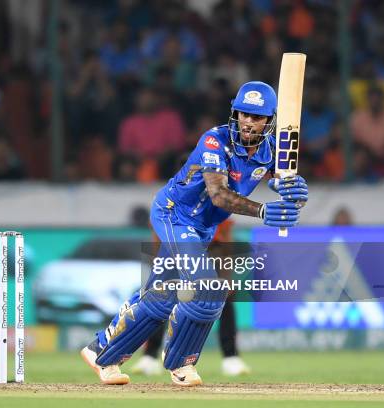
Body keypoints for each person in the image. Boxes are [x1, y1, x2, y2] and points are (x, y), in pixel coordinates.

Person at [81, 81, 309, 386]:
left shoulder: (270, 150)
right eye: (243, 114)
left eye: (256, 117)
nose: (248, 122)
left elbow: (285, 182)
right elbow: (218, 195)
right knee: (208, 289)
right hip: (174, 214)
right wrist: (264, 211)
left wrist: (296, 193)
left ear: (269, 120)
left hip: (202, 227)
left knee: (160, 298)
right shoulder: (214, 141)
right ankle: (181, 365)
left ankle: (100, 353)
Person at [131, 219, 252, 377]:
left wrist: (226, 276)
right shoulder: (169, 204)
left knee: (225, 303)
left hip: (208, 259)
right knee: (160, 302)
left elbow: (224, 242)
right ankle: (150, 357)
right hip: (173, 259)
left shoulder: (214, 205)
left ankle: (231, 358)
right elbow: (158, 238)